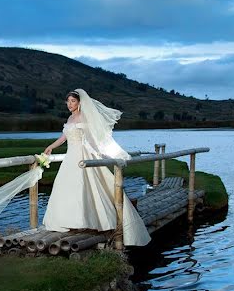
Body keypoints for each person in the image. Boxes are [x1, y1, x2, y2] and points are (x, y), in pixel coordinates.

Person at [41, 89, 151, 246]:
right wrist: (51, 146)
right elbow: (64, 137)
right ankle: (67, 220)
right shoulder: (70, 117)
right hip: (70, 157)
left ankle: (91, 220)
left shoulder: (84, 116)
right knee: (65, 186)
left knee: (84, 185)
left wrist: (99, 153)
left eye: (73, 101)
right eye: (68, 101)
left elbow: (92, 137)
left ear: (79, 102)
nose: (70, 104)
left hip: (83, 156)